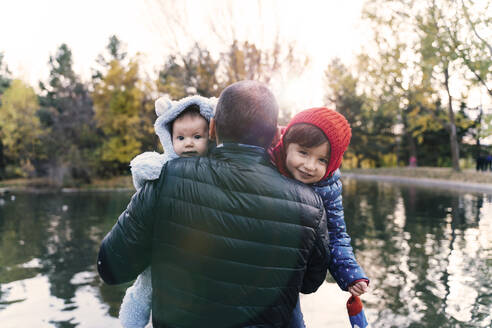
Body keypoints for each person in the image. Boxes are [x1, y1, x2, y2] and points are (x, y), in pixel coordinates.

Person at [97, 80, 330, 328]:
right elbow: (310, 283)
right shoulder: (311, 205)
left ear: (212, 128)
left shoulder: (167, 178)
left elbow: (111, 268)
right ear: (276, 136)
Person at [119, 95, 216, 328]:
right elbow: (143, 169)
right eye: (180, 137)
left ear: (211, 137)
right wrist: (146, 171)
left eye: (197, 137)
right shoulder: (166, 166)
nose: (188, 143)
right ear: (168, 138)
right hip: (164, 243)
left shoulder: (215, 167)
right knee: (145, 284)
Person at [269, 107, 369, 327]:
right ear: (286, 144)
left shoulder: (328, 187)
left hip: (289, 277)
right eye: (303, 152)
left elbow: (336, 233)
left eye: (322, 160)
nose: (310, 166)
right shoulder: (266, 161)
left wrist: (350, 273)